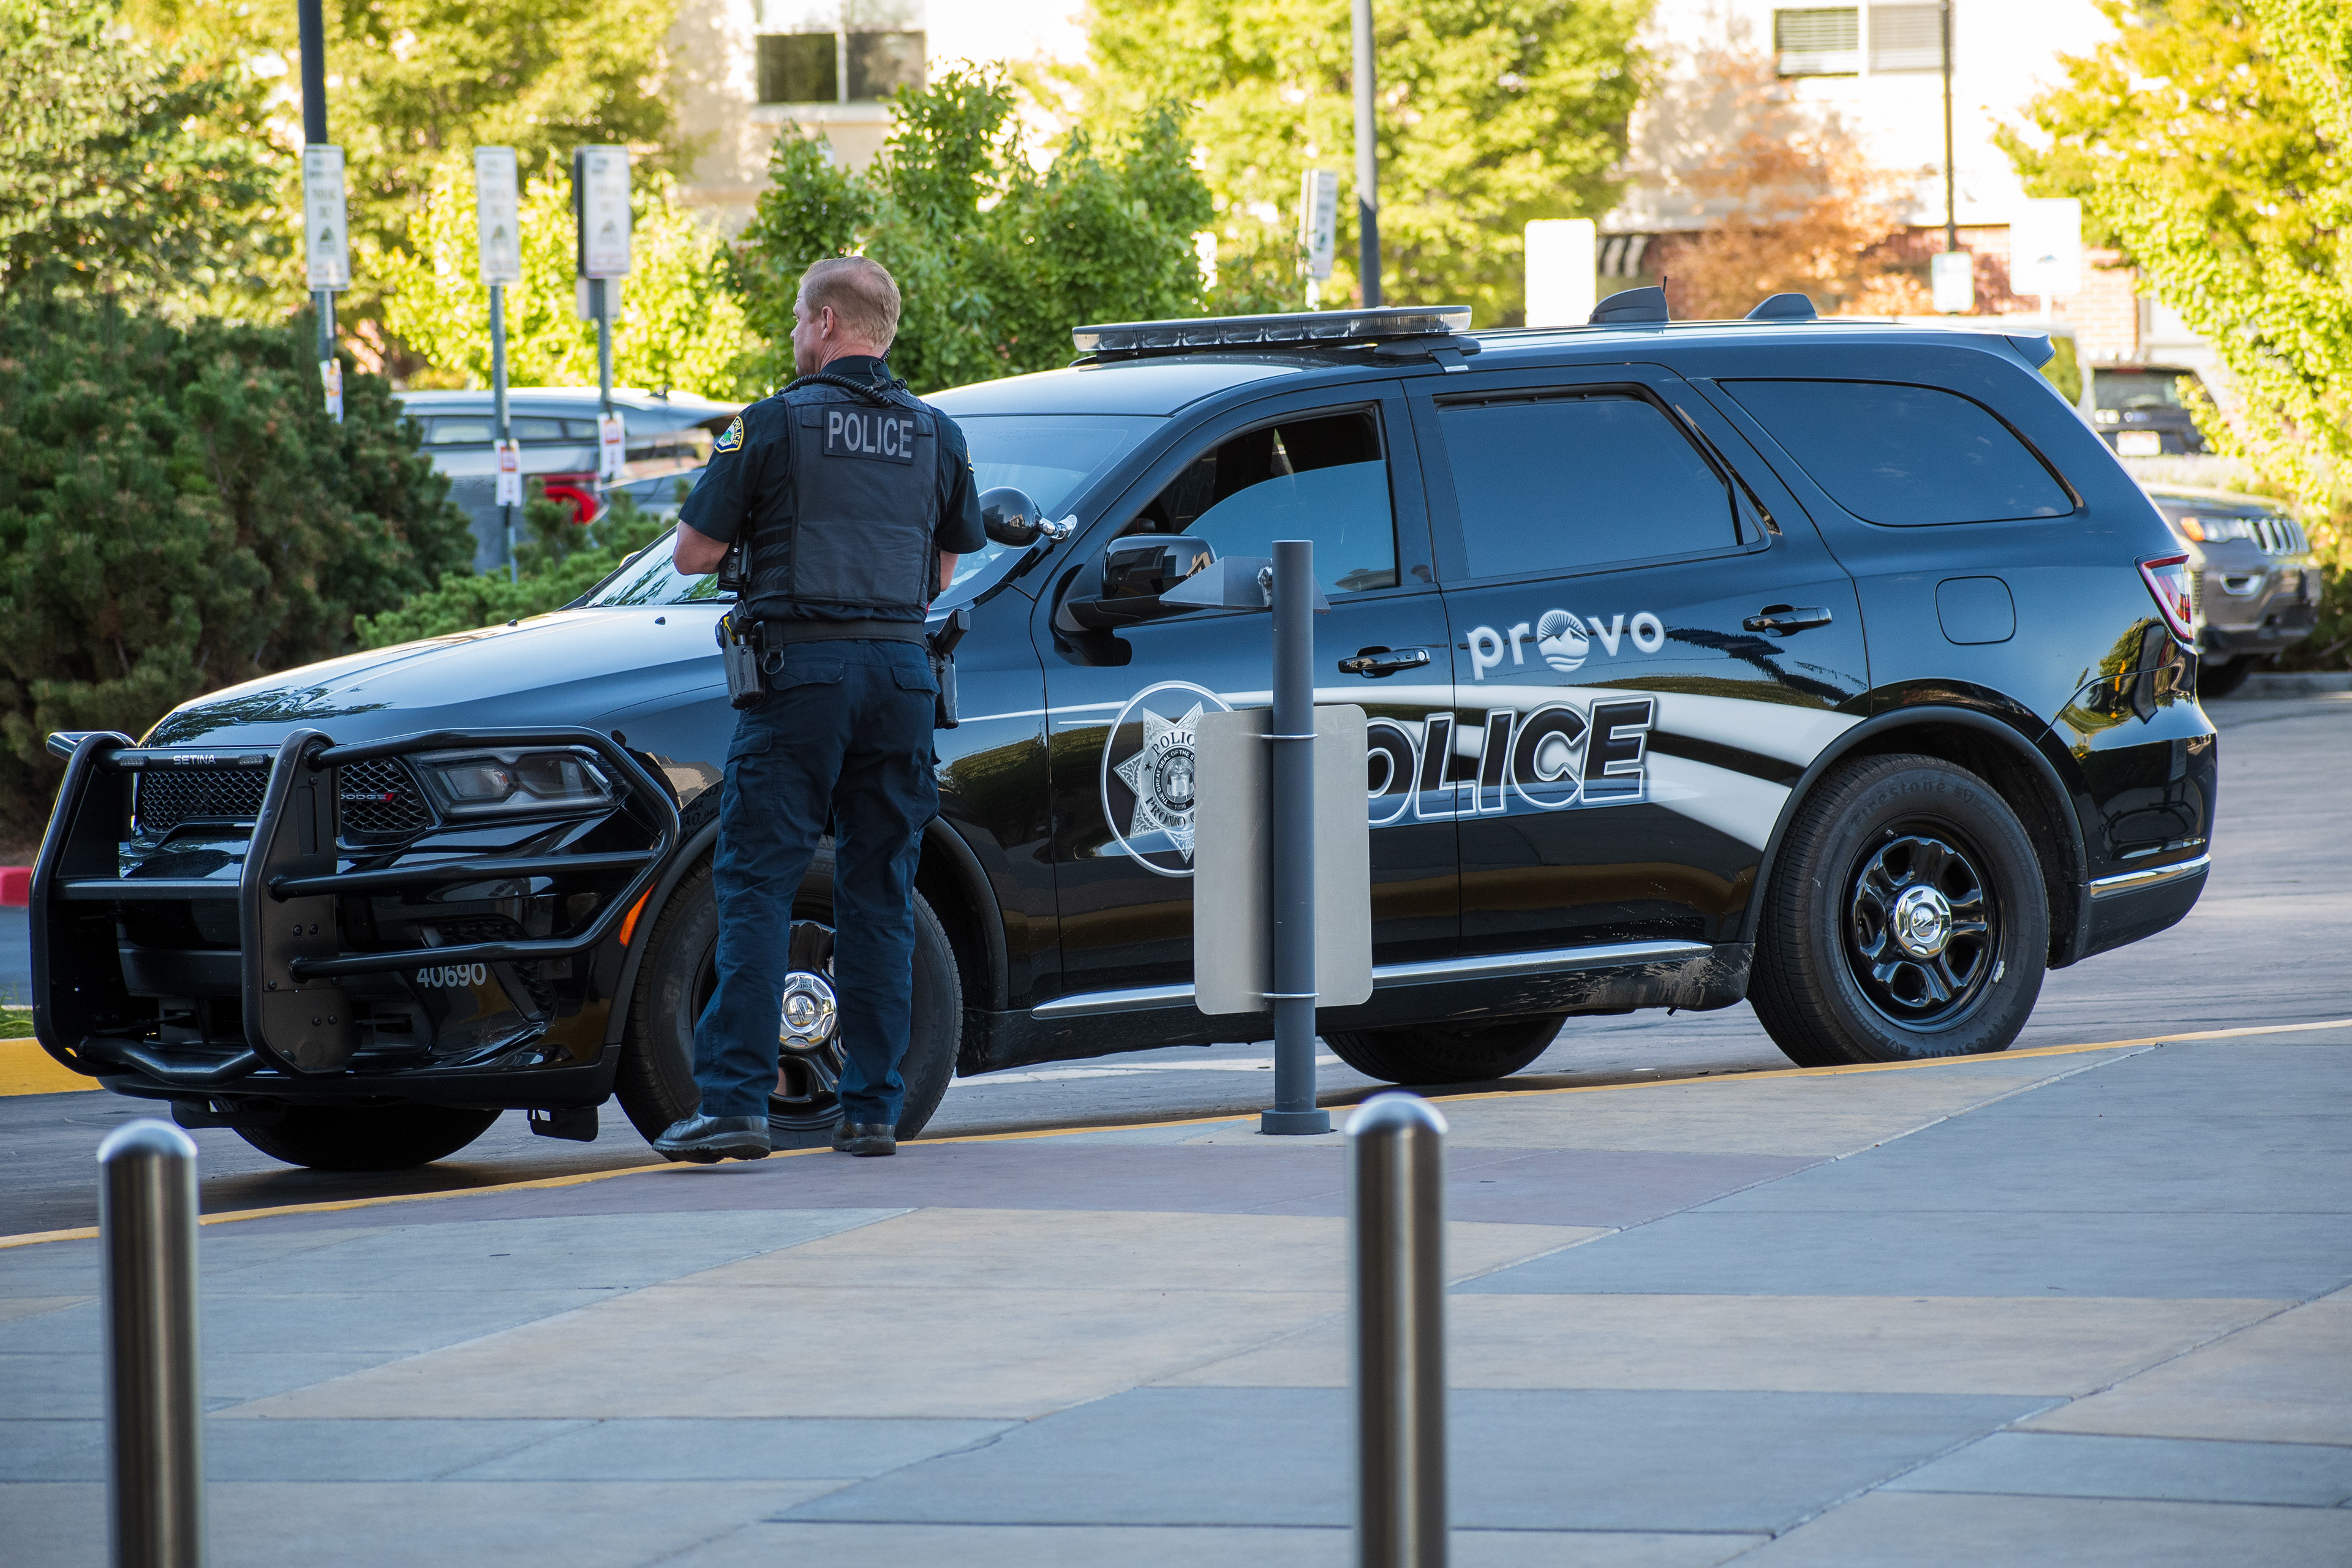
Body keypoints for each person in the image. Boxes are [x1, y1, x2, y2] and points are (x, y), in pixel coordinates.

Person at [652, 256, 984, 1163]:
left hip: (803, 672)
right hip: (903, 674)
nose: (795, 332)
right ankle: (873, 1110)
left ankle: (734, 1105)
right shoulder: (937, 433)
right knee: (881, 887)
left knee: (757, 880)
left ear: (830, 323)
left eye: (801, 318)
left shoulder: (765, 427)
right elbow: (944, 572)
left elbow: (691, 554)